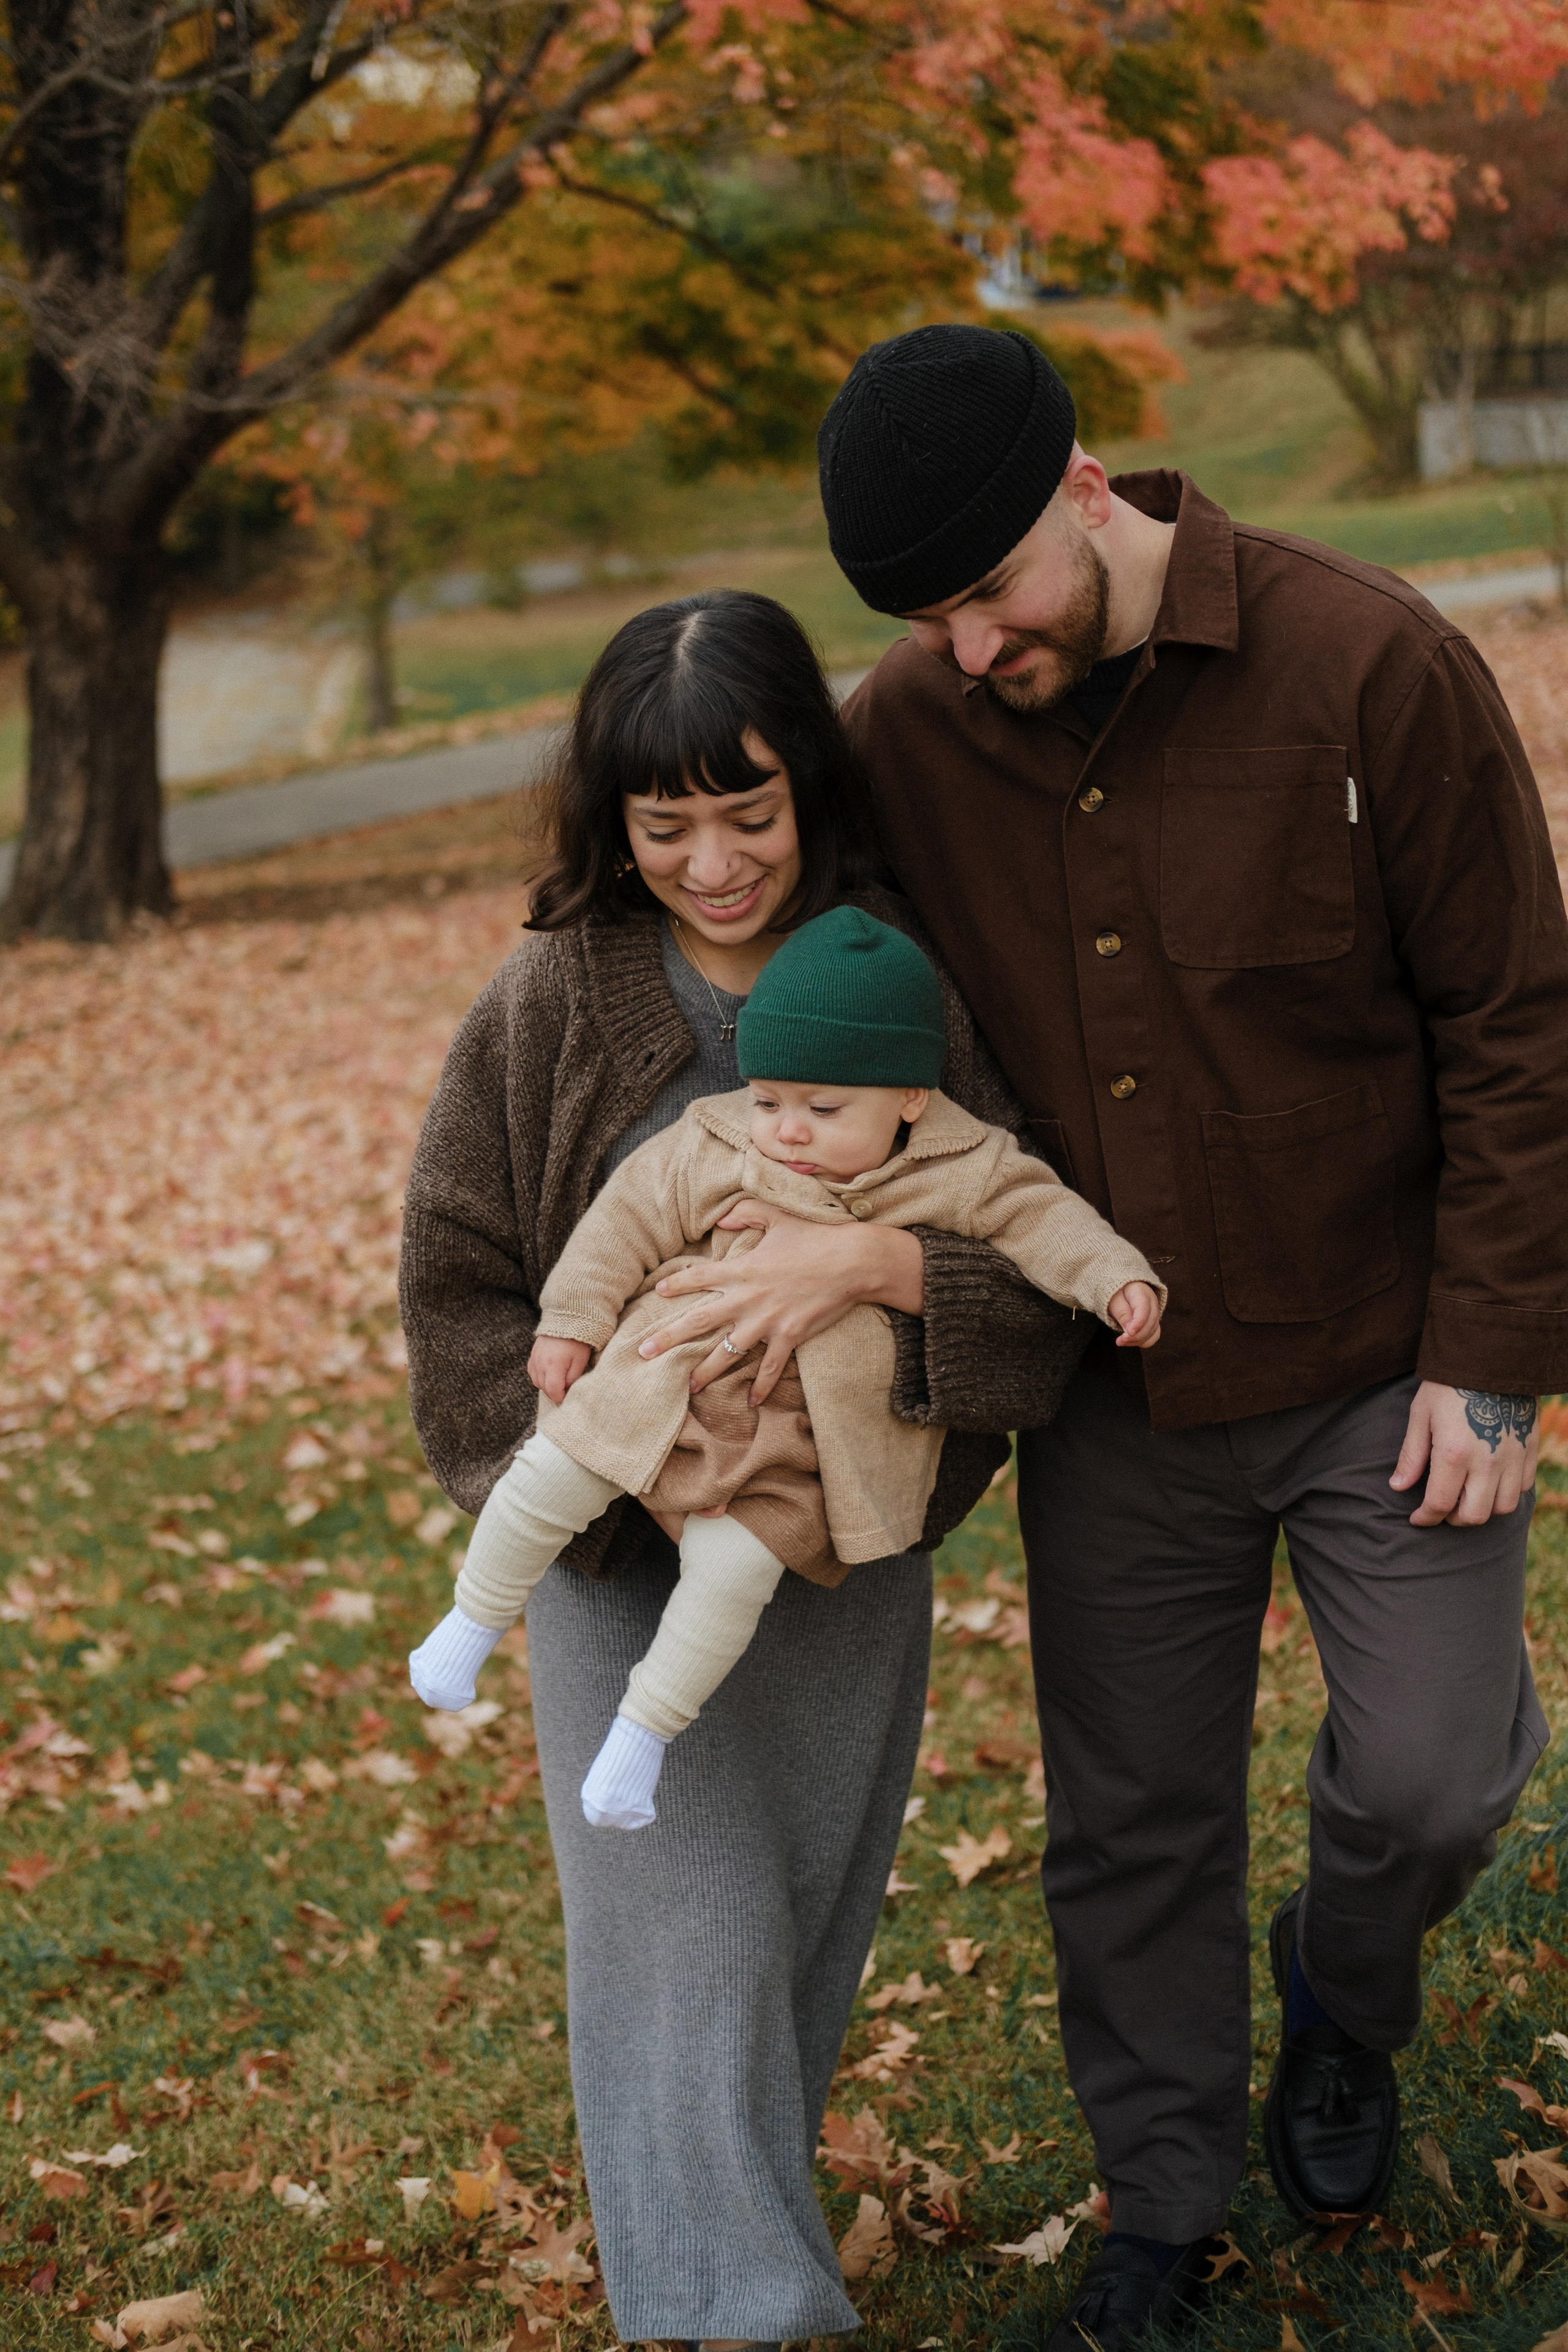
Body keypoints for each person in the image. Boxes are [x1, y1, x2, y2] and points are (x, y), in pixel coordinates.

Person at [807, 322, 1568, 2349]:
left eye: (988, 595)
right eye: (921, 620)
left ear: (1086, 489)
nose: (965, 651)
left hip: (1387, 1355)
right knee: (1132, 1821)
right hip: (1117, 1392)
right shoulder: (908, 724)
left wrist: (1492, 1353)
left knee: (1428, 1780)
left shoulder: (1366, 660)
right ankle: (1159, 2206)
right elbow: (779, 957)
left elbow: (1516, 1022)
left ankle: (1345, 1991)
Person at [397, 586, 1086, 2346]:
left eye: (752, 811)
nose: (713, 862)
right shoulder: (556, 997)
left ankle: (713, 2267)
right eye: (665, 824)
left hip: (834, 1565)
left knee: (781, 1951)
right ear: (611, 823)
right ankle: (747, 2316)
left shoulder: (895, 979)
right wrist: (569, 1464)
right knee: (678, 1956)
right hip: (623, 1577)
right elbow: (461, 1272)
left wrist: (879, 1273)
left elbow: (1030, 1273)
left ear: (815, 788)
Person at [408, 905, 1164, 1831]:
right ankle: (472, 1620)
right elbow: (621, 1222)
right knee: (555, 1468)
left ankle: (642, 1736)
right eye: (770, 1099)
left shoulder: (967, 1166)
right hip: (669, 1372)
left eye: (823, 1109)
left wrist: (1117, 1278)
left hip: (812, 1441)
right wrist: (571, 1320)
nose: (788, 1130)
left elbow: (1048, 1222)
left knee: (734, 1575)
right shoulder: (717, 1139)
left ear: (911, 1098)